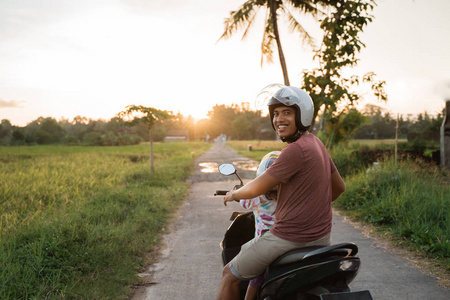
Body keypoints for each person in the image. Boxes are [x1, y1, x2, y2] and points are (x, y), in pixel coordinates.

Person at [216, 84, 346, 300]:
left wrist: (233, 195)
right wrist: (312, 206)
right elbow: (339, 188)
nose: (279, 119)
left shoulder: (294, 150)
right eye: (275, 114)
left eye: (287, 112)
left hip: (288, 238)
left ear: (302, 115)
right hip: (322, 238)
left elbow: (257, 187)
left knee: (229, 273)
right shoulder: (316, 144)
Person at [238, 151, 279, 300]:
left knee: (255, 278)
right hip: (285, 240)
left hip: (264, 243)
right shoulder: (289, 194)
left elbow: (243, 201)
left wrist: (239, 190)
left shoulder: (256, 196)